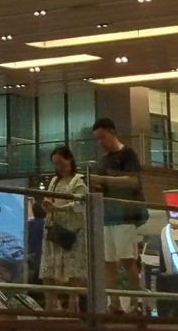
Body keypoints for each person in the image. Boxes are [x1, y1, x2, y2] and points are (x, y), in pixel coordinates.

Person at [90, 118, 146, 312]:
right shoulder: (103, 161)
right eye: (97, 140)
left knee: (127, 259)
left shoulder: (128, 154)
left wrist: (104, 180)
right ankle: (114, 303)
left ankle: (135, 301)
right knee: (108, 262)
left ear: (112, 132)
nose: (101, 143)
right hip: (107, 216)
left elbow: (132, 181)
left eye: (102, 137)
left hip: (124, 215)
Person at [38, 145, 88, 310]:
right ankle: (50, 305)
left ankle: (73, 305)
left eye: (61, 163)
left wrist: (60, 207)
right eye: (56, 164)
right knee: (48, 270)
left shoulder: (78, 181)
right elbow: (49, 199)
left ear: (70, 160)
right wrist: (48, 205)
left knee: (72, 270)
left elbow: (81, 204)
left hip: (70, 231)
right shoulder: (54, 181)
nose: (59, 167)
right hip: (53, 228)